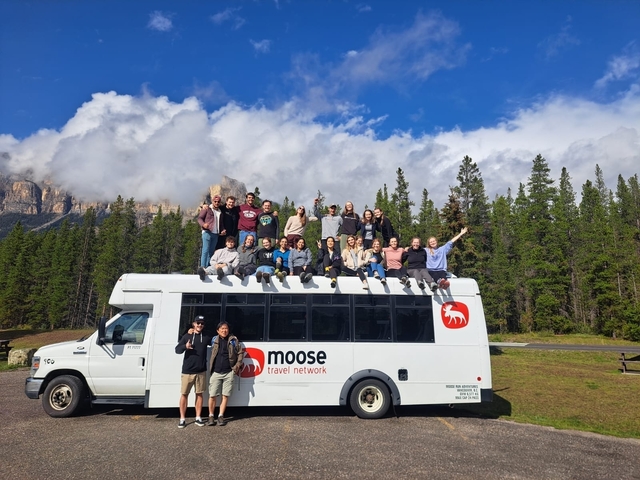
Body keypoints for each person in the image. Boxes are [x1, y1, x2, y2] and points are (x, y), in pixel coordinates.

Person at [175, 315, 211, 428]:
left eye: (202, 323)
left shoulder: (206, 337)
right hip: (187, 371)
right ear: (193, 324)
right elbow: (177, 350)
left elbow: (217, 338)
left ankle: (198, 417)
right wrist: (185, 346)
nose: (200, 325)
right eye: (198, 323)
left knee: (199, 394)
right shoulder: (187, 336)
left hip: (201, 371)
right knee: (184, 394)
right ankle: (182, 419)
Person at [207, 321, 244, 427]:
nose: (224, 330)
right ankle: (210, 416)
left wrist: (236, 367)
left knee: (225, 395)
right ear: (217, 330)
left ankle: (220, 416)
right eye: (222, 328)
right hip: (216, 372)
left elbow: (240, 353)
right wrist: (191, 331)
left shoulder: (233, 340)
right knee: (212, 395)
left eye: (226, 328)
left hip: (229, 372)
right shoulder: (214, 340)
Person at [197, 195, 222, 267]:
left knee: (211, 252)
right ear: (212, 201)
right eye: (215, 201)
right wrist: (203, 224)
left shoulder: (220, 211)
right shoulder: (207, 209)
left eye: (218, 202)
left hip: (216, 234)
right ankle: (202, 267)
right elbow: (199, 218)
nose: (217, 203)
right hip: (207, 232)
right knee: (205, 250)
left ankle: (208, 268)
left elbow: (221, 223)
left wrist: (222, 230)